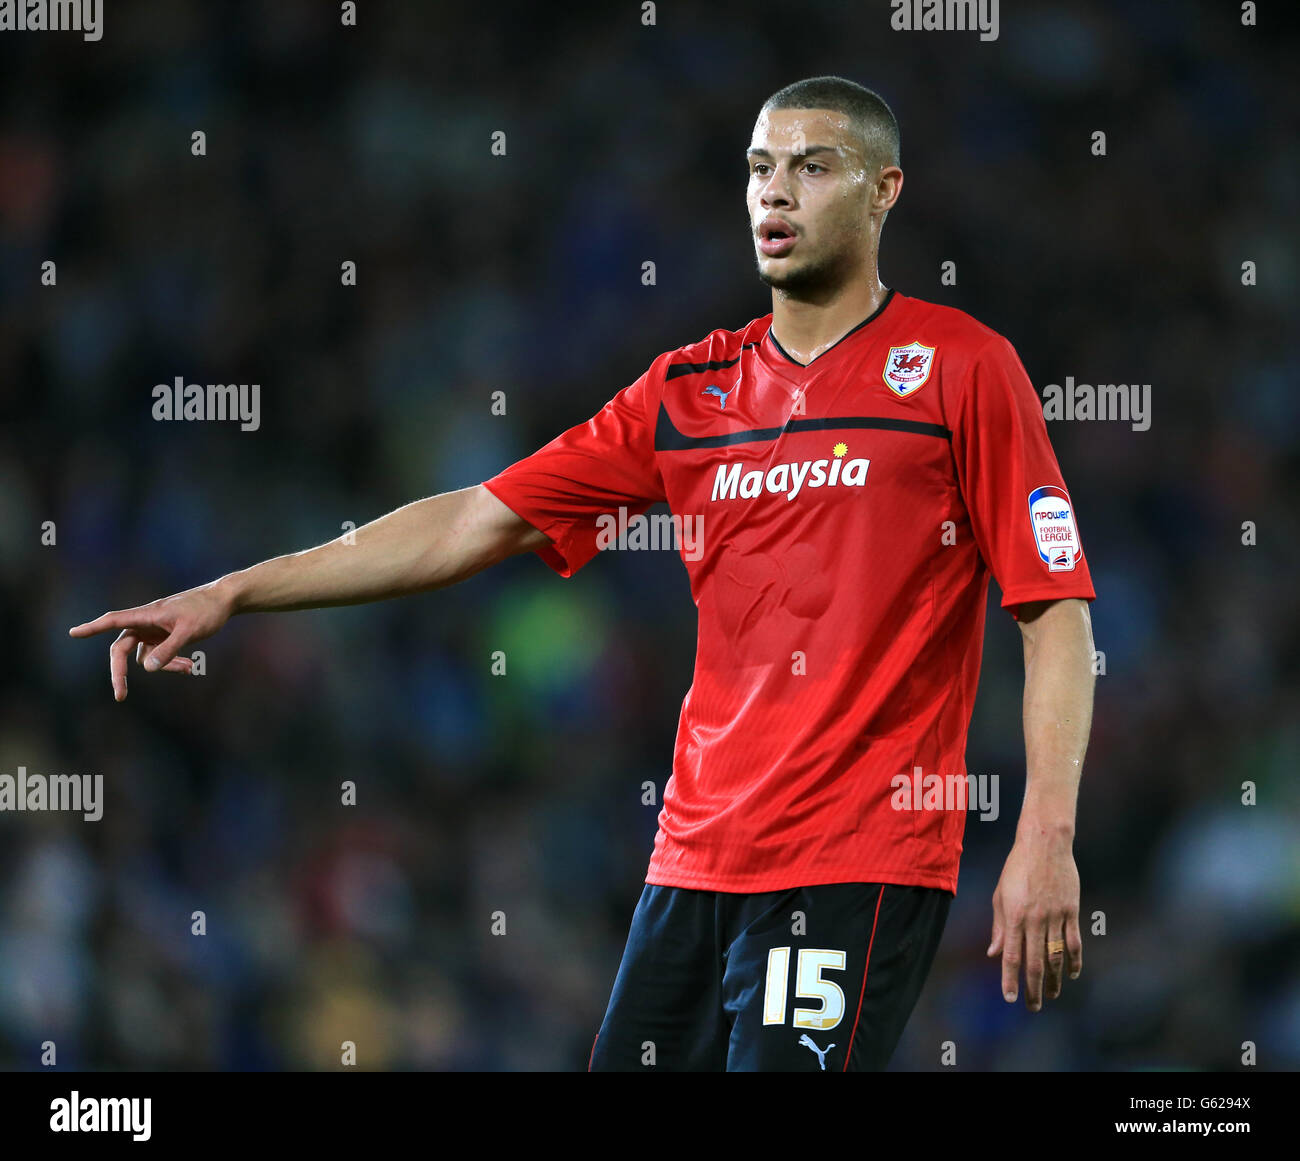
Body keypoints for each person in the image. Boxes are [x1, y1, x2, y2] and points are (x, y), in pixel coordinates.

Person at [71, 75, 1097, 1072]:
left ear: (884, 190)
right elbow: (472, 521)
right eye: (757, 168)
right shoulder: (690, 390)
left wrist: (1044, 838)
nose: (773, 193)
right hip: (691, 861)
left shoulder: (961, 369)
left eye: (812, 167)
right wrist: (235, 589)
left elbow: (1052, 613)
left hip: (852, 858)